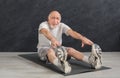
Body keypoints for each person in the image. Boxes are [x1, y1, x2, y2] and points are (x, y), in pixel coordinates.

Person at [37, 10, 102, 74]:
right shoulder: (43, 24)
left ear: (60, 20)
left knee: (70, 50)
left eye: (57, 18)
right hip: (44, 49)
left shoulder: (61, 25)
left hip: (58, 49)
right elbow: (45, 32)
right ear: (48, 19)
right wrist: (52, 39)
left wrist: (82, 38)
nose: (55, 21)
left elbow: (72, 32)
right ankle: (59, 64)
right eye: (53, 18)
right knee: (50, 51)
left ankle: (91, 61)